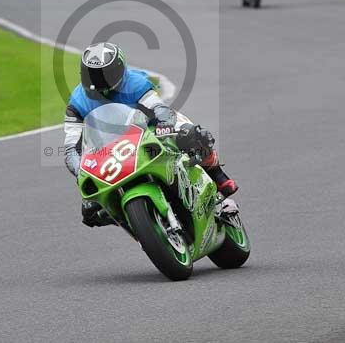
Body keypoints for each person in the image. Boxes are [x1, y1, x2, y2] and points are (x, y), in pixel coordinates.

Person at [63, 42, 238, 227]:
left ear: (119, 70)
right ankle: (133, 221)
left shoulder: (134, 82)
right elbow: (70, 149)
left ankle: (216, 174)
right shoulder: (77, 102)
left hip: (147, 130)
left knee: (191, 133)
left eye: (104, 74)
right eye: (92, 74)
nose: (97, 81)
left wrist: (165, 123)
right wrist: (80, 169)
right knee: (90, 212)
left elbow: (159, 107)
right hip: (110, 149)